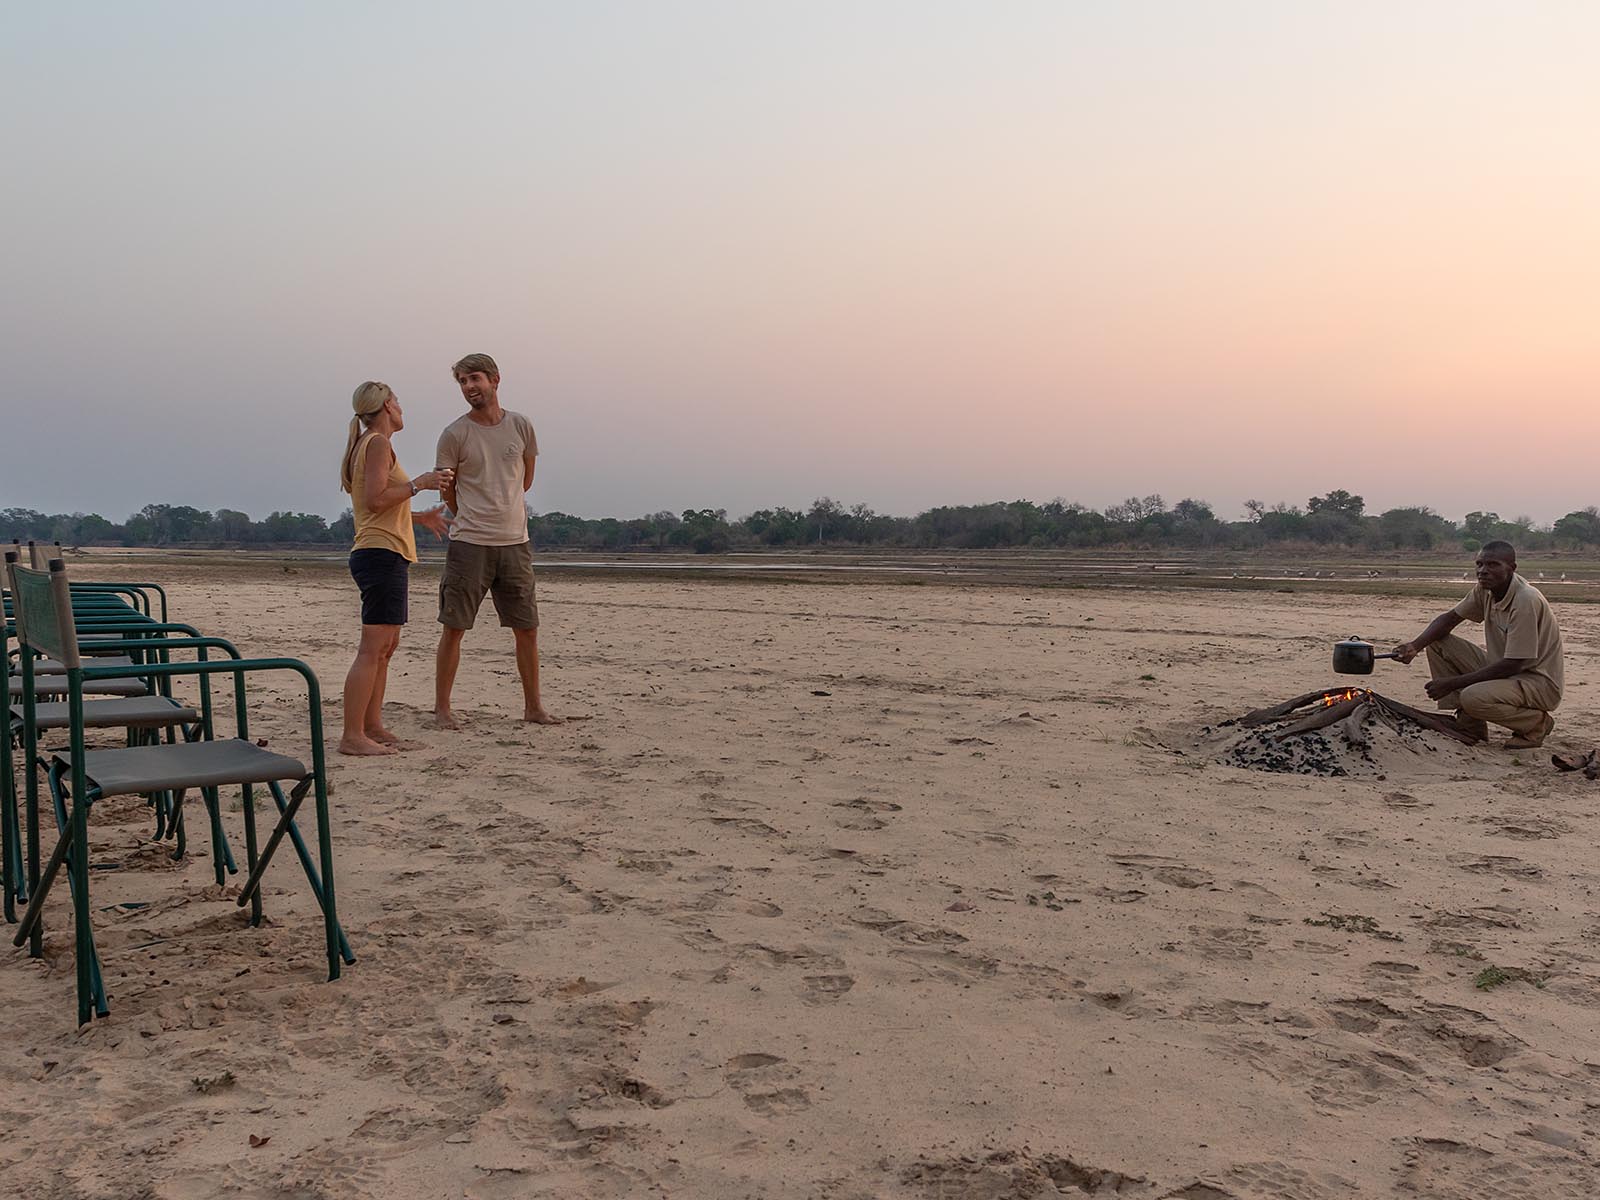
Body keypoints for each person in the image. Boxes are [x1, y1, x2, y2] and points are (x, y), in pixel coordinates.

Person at [432, 353, 561, 728]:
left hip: (515, 543)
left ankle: (533, 707)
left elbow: (526, 478)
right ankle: (442, 709)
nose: (470, 387)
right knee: (454, 627)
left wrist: (504, 510)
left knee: (527, 628)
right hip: (469, 543)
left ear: (495, 380)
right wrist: (474, 514)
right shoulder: (454, 433)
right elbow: (448, 491)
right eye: (462, 382)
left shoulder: (521, 426)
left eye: (475, 379)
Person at [338, 381, 452, 756]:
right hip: (378, 554)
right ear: (387, 405)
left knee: (386, 646)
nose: (402, 408)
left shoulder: (371, 443)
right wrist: (419, 484)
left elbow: (383, 504)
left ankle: (373, 727)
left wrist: (419, 518)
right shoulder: (377, 443)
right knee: (373, 648)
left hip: (386, 552)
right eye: (398, 402)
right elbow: (374, 501)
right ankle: (352, 736)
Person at [1392, 540, 1563, 748]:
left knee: (1472, 697)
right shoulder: (1486, 590)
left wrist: (1452, 683)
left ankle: (1536, 725)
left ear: (1512, 568)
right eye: (1479, 564)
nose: (1483, 571)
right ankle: (1470, 725)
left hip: (1537, 682)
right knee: (1437, 643)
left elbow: (1514, 664)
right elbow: (1449, 619)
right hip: (1507, 671)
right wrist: (1414, 646)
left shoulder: (1525, 600)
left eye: (1492, 565)